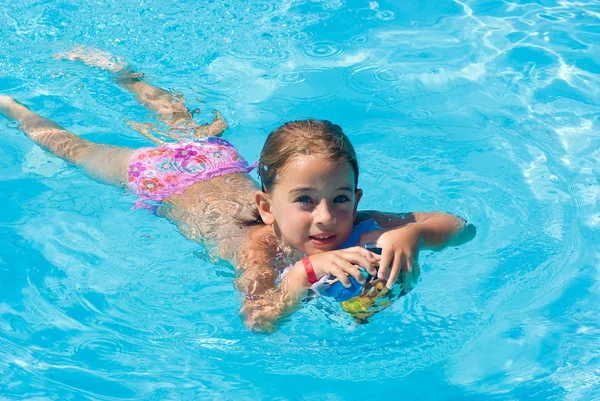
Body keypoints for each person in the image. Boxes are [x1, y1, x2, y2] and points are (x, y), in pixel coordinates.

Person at [0, 47, 475, 332]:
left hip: (218, 160)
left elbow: (461, 227)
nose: (326, 218)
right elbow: (258, 320)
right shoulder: (259, 248)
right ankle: (17, 107)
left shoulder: (356, 224)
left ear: (356, 198)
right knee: (75, 149)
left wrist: (410, 235)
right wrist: (302, 274)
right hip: (162, 179)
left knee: (178, 116)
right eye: (305, 200)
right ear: (267, 208)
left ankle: (128, 75)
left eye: (341, 198)